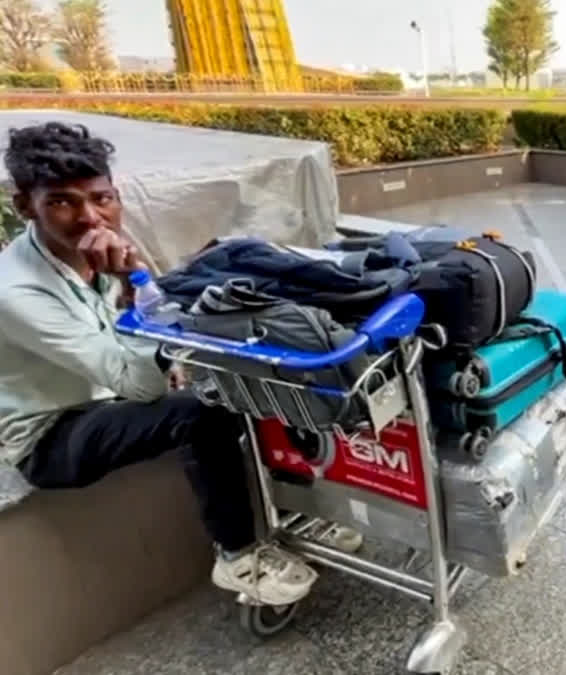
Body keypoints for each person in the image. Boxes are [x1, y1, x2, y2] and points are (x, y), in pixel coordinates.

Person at [0, 122, 357, 607]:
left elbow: (143, 341)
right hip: (53, 433)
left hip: (111, 389)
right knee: (199, 412)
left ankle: (297, 511)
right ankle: (238, 555)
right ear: (25, 206)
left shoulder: (94, 250)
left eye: (100, 199)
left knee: (248, 370)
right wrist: (133, 286)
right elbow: (139, 383)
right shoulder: (15, 291)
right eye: (62, 202)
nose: (90, 218)